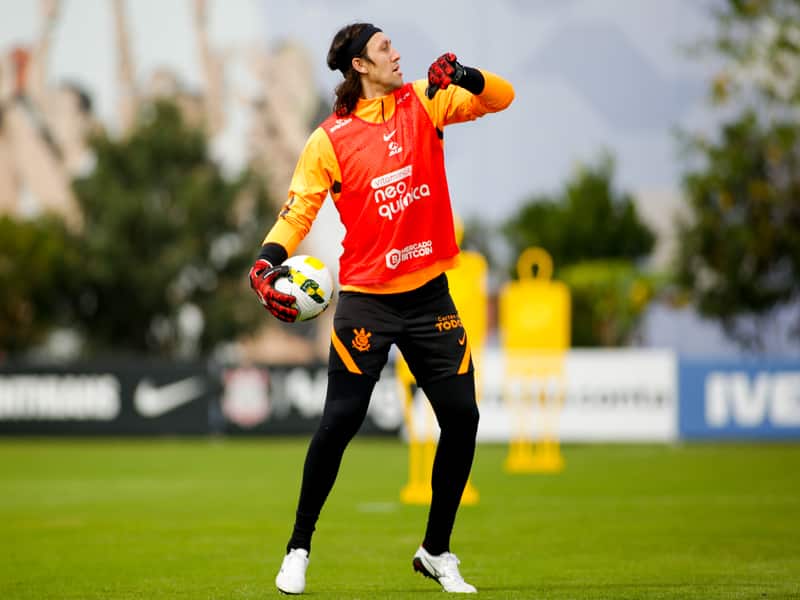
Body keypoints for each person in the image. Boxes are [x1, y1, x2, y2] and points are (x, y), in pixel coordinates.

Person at [248, 22, 514, 595]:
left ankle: (436, 551)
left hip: (430, 298)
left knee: (463, 419)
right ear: (360, 67)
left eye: (393, 44)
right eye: (384, 49)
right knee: (339, 423)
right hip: (367, 302)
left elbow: (502, 98)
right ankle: (298, 547)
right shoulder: (329, 139)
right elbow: (297, 214)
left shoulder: (426, 99)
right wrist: (266, 262)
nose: (396, 53)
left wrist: (465, 74)